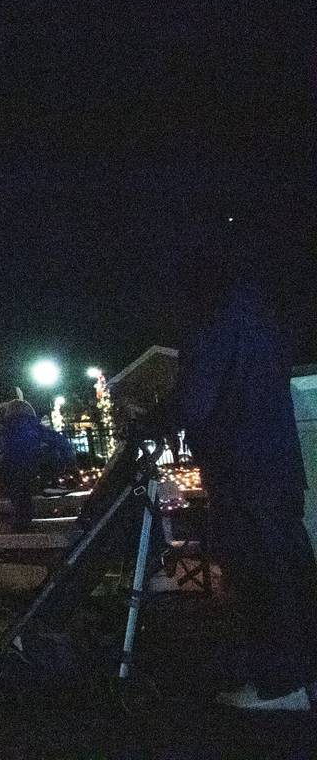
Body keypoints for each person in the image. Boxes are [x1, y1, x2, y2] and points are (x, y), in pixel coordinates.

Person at [179, 250, 316, 711]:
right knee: (293, 574)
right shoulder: (261, 318)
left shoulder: (214, 325)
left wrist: (164, 408)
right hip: (277, 468)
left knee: (260, 579)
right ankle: (304, 676)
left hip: (241, 472)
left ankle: (280, 685)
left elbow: (198, 402)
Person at [0, 386, 44, 532]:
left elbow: (1, 453)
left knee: (19, 497)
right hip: (30, 469)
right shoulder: (34, 429)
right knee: (24, 496)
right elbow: (56, 442)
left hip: (10, 470)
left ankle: (20, 525)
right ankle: (23, 525)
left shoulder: (5, 432)